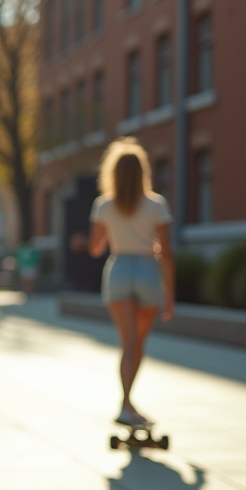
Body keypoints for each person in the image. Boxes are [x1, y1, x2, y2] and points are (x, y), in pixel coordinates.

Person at [86, 138, 174, 428]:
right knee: (138, 344)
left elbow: (95, 249)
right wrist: (170, 295)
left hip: (119, 269)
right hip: (148, 270)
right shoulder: (157, 204)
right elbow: (167, 254)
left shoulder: (103, 205)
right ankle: (127, 404)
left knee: (127, 343)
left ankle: (126, 405)